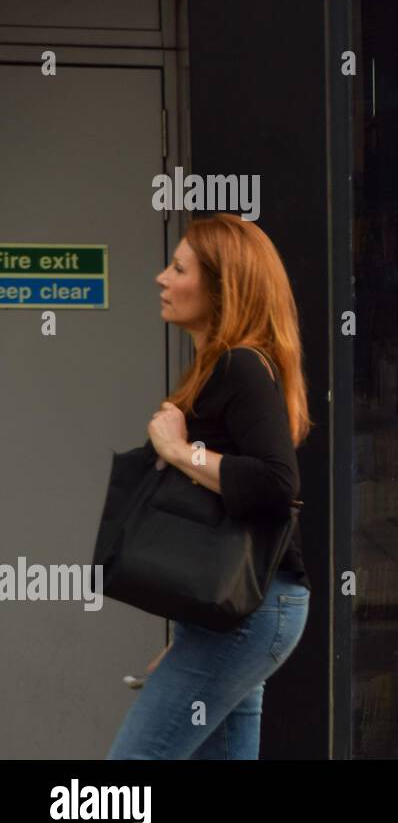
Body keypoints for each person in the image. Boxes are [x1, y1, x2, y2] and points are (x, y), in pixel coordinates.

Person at [107, 213, 313, 759]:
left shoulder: (241, 366)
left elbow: (276, 482)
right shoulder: (220, 366)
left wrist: (179, 452)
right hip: (238, 612)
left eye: (178, 268)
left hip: (251, 613)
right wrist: (196, 636)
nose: (161, 278)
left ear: (224, 286)